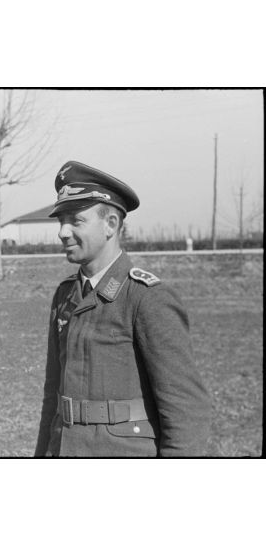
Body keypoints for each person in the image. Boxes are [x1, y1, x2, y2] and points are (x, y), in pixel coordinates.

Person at [34, 161, 211, 457]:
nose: (62, 232)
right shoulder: (65, 295)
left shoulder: (147, 298)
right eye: (60, 221)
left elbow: (187, 410)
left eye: (75, 221)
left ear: (111, 225)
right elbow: (52, 398)